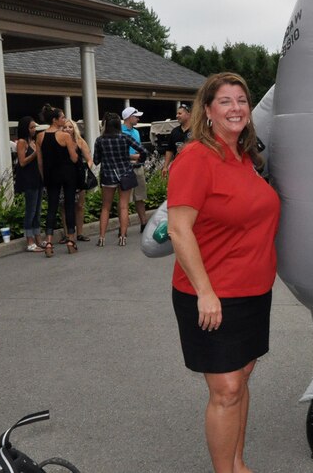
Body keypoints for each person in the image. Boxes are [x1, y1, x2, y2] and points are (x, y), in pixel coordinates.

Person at [167, 73, 280, 473]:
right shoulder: (196, 157)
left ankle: (237, 463)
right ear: (209, 111)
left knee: (241, 378)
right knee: (226, 388)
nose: (236, 108)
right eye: (225, 101)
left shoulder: (245, 158)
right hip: (212, 295)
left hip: (252, 291)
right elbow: (179, 230)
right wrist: (205, 291)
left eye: (242, 101)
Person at [94, 112, 146, 247]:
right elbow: (143, 151)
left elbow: (96, 160)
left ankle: (101, 238)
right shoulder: (125, 137)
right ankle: (123, 237)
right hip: (125, 173)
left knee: (105, 207)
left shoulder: (100, 140)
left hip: (108, 175)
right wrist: (138, 160)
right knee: (124, 206)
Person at [37, 104, 79, 257]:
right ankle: (71, 239)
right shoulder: (65, 136)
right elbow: (74, 158)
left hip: (50, 175)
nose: (64, 120)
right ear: (55, 120)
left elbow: (40, 161)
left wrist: (43, 177)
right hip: (67, 173)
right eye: (62, 117)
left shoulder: (40, 136)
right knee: (69, 206)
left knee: (52, 208)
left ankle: (48, 242)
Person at [58, 119, 93, 243]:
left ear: (74, 129)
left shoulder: (80, 141)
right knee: (64, 206)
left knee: (79, 206)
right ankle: (67, 234)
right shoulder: (59, 141)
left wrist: (85, 170)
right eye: (65, 127)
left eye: (70, 127)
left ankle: (80, 233)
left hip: (78, 177)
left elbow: (89, 159)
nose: (67, 129)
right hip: (63, 177)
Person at [14, 116, 44, 252]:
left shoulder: (33, 141)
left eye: (34, 127)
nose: (33, 130)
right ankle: (29, 240)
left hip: (38, 178)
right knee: (30, 211)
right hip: (28, 179)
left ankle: (38, 237)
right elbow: (22, 162)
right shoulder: (22, 142)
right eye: (31, 127)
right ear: (25, 128)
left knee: (37, 210)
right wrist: (35, 154)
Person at [120, 106, 149, 231]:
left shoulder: (136, 132)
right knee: (124, 200)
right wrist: (133, 156)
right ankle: (122, 228)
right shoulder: (120, 132)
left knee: (140, 196)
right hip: (125, 167)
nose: (138, 118)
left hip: (138, 167)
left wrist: (138, 157)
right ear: (128, 117)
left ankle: (144, 223)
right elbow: (119, 153)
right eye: (136, 116)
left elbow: (140, 149)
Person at [161, 103, 192, 177]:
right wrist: (165, 166)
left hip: (193, 168)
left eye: (180, 113)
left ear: (188, 114)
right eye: (177, 114)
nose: (177, 116)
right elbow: (170, 150)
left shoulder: (197, 131)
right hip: (178, 167)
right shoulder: (175, 131)